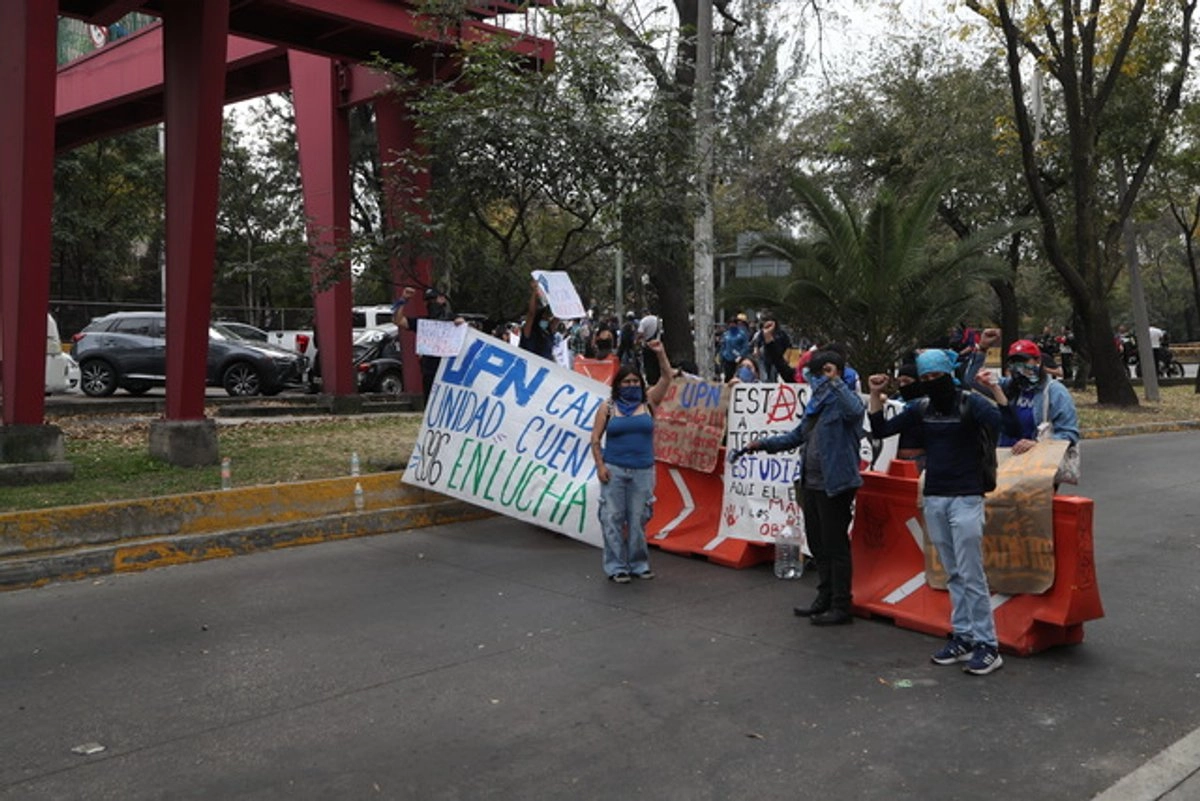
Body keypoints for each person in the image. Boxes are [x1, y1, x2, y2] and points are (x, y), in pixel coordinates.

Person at [866, 349, 1019, 676]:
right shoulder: (921, 408)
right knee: (953, 572)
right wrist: (876, 394)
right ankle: (963, 636)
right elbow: (880, 430)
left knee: (971, 573)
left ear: (949, 374)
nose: (932, 383)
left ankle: (987, 645)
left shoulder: (970, 403)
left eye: (937, 377)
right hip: (935, 497)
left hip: (966, 497)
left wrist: (994, 389)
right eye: (926, 378)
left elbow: (1010, 424)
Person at [734, 350, 865, 626]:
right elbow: (797, 435)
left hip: (836, 485)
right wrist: (764, 444)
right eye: (815, 374)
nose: (817, 379)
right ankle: (824, 597)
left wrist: (835, 381)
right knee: (818, 543)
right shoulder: (816, 404)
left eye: (822, 372)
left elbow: (856, 410)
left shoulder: (844, 400)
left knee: (835, 544)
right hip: (811, 483)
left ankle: (842, 605)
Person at [590, 340, 673, 583]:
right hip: (614, 470)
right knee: (612, 518)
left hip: (643, 471)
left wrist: (660, 353)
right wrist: (600, 466)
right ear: (617, 384)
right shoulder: (607, 407)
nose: (631, 385)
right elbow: (595, 438)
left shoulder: (648, 403)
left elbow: (667, 378)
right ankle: (616, 567)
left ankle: (639, 563)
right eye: (626, 382)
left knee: (638, 519)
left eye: (635, 381)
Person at [966, 332, 1079, 474]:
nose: (1018, 367)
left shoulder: (1055, 392)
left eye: (1024, 361)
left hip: (1039, 465)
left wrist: (1037, 444)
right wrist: (982, 348)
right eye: (1013, 362)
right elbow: (972, 379)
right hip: (1007, 459)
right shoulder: (1010, 386)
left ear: (1037, 361)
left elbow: (1069, 433)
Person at [393, 286, 463, 398]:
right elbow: (398, 320)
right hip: (430, 373)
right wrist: (403, 299)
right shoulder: (423, 323)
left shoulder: (453, 320)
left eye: (434, 300)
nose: (431, 304)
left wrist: (460, 324)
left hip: (449, 373)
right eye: (428, 301)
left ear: (442, 299)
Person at [519, 280, 556, 361]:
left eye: (548, 318)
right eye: (544, 318)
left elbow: (559, 317)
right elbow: (531, 313)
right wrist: (535, 292)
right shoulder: (529, 332)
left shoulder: (549, 332)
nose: (547, 320)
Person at [719, 315, 751, 382]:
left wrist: (741, 356)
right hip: (727, 359)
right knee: (728, 376)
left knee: (738, 376)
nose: (731, 325)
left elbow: (745, 346)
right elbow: (723, 346)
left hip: (738, 359)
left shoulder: (742, 334)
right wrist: (721, 356)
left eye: (733, 323)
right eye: (730, 323)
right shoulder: (726, 334)